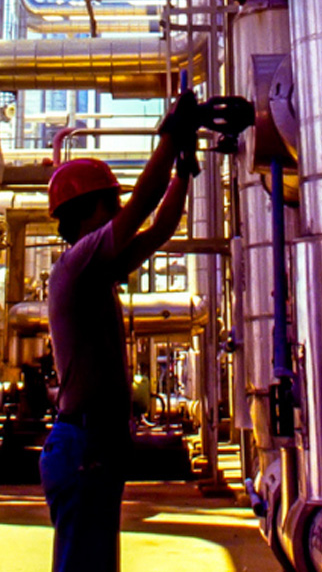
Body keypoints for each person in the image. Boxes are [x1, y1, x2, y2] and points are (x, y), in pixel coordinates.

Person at [40, 90, 202, 572]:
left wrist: (184, 171)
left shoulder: (97, 270)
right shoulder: (78, 263)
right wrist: (172, 135)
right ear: (85, 211)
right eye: (109, 203)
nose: (117, 211)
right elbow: (143, 206)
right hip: (84, 443)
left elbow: (159, 230)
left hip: (97, 442)